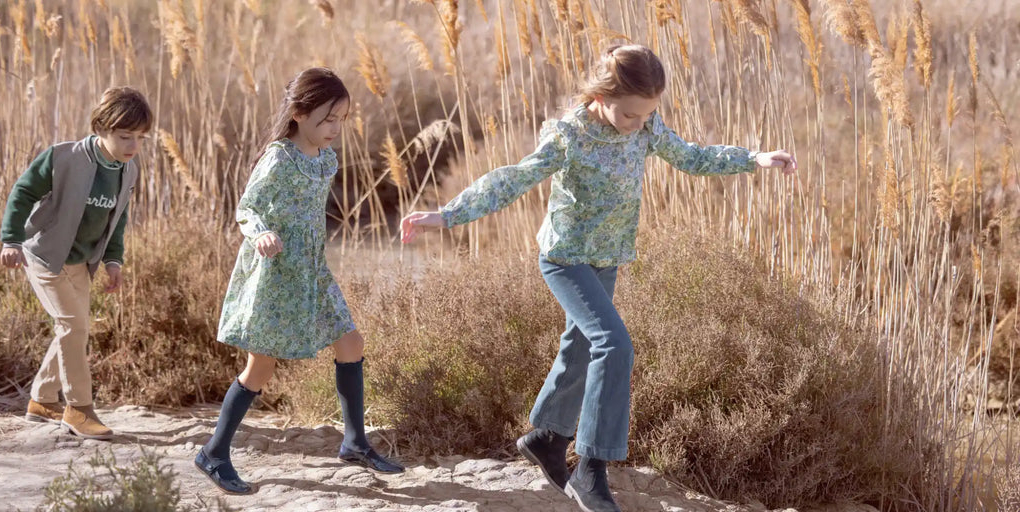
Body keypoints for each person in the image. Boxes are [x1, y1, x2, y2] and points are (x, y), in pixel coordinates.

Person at [400, 45, 797, 512]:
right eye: (628, 113)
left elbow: (691, 157)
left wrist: (754, 158)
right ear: (602, 95)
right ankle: (591, 469)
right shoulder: (569, 134)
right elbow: (513, 178)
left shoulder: (646, 125)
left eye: (645, 115)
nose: (636, 123)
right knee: (615, 344)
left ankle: (547, 436)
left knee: (582, 347)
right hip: (565, 259)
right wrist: (448, 215)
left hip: (606, 260)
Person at [194, 67, 404, 496]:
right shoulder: (279, 157)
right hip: (275, 274)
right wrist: (262, 233)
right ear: (299, 113)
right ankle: (213, 453)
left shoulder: (328, 158)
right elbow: (247, 208)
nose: (334, 129)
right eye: (327, 119)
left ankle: (354, 442)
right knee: (260, 367)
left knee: (351, 343)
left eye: (341, 119)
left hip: (311, 270)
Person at [0, 86, 153, 441]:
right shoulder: (62, 157)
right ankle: (79, 408)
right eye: (124, 136)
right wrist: (11, 239)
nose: (132, 146)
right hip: (44, 255)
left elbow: (119, 217)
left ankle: (41, 400)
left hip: (82, 261)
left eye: (140, 138)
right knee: (73, 325)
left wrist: (114, 260)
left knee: (75, 325)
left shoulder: (126, 170)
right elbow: (22, 193)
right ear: (101, 127)